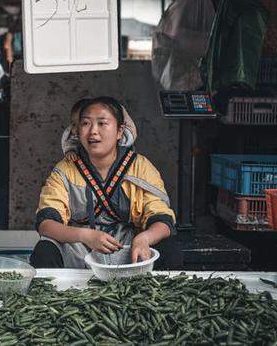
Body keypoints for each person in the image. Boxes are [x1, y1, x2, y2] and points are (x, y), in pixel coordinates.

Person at [30, 97, 175, 269]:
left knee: (170, 250)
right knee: (44, 251)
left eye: (102, 123)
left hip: (130, 249)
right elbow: (46, 225)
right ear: (77, 130)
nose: (93, 131)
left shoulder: (140, 167)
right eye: (85, 123)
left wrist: (144, 239)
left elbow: (164, 223)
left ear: (120, 131)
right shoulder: (66, 170)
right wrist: (86, 236)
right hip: (81, 248)